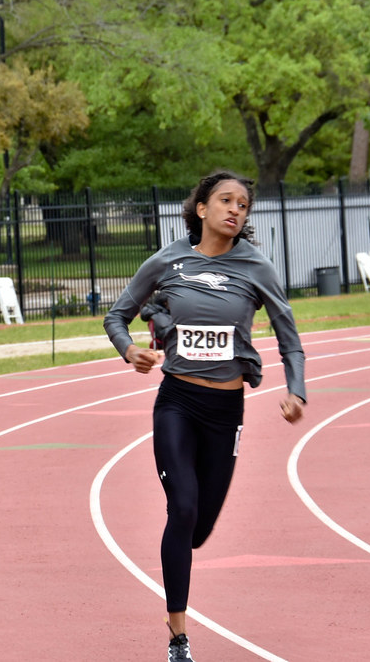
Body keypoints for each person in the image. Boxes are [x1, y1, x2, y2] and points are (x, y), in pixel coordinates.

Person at [103, 171, 306, 661]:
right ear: (201, 208)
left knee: (199, 527)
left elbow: (288, 336)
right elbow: (115, 315)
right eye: (225, 201)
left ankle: (181, 556)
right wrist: (130, 350)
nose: (235, 210)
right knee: (184, 507)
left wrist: (296, 392)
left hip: (226, 409)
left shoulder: (257, 267)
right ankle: (178, 637)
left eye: (243, 205)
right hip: (177, 401)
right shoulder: (168, 260)